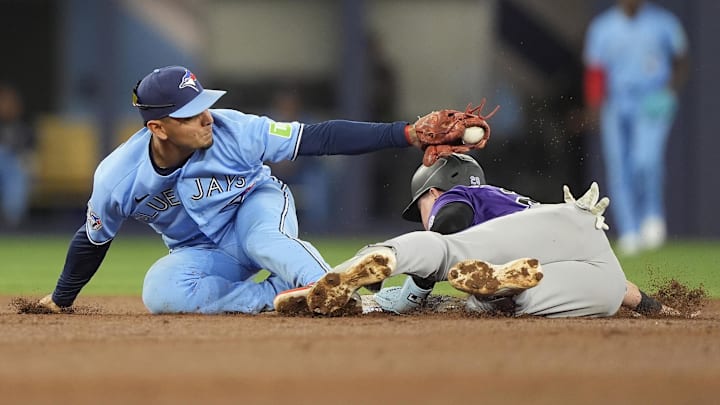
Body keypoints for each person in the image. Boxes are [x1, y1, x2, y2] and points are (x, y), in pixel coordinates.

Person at [36, 65, 444, 314]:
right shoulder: (118, 178)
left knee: (264, 239)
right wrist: (61, 299)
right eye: (189, 116)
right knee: (159, 291)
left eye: (204, 105)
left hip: (256, 205)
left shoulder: (235, 128)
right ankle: (282, 298)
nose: (206, 118)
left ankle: (336, 292)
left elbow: (320, 138)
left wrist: (406, 133)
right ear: (157, 128)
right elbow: (92, 239)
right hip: (204, 251)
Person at [275, 154, 677, 318]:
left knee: (441, 248)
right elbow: (622, 288)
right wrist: (657, 309)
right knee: (539, 295)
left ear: (432, 190)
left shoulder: (458, 195)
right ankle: (504, 288)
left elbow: (448, 225)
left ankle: (366, 265)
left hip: (533, 238)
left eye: (420, 206)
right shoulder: (511, 204)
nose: (422, 214)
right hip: (590, 248)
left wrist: (415, 286)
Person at [583, 0, 689, 255]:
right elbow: (595, 71)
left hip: (651, 99)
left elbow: (681, 59)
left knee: (645, 160)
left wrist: (669, 92)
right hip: (616, 101)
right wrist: (595, 108)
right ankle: (630, 230)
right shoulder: (603, 27)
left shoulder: (663, 22)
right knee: (619, 166)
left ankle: (651, 215)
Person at [0, 83, 35, 228]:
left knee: (18, 169)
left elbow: (29, 156)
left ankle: (11, 219)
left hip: (13, 170)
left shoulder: (24, 129)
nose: (7, 106)